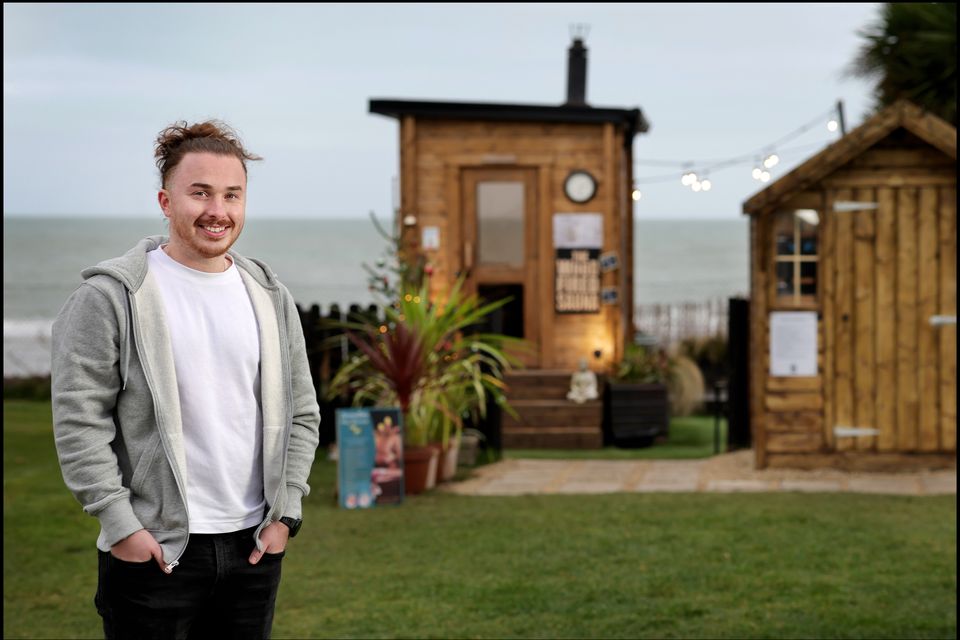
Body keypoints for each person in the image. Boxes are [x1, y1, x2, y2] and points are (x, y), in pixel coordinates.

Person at [51, 120, 321, 639]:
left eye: (231, 195)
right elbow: (79, 421)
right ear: (165, 200)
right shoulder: (111, 298)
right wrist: (121, 525)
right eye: (200, 193)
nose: (217, 210)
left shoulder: (269, 296)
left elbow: (301, 412)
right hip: (156, 548)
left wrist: (286, 512)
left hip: (254, 545)